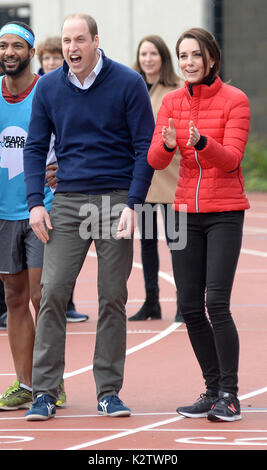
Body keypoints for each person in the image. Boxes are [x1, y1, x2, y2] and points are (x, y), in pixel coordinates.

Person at [23, 13, 154, 421]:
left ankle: (108, 391)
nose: (72, 48)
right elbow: (34, 147)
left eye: (80, 40)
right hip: (67, 199)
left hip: (116, 199)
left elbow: (145, 147)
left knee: (112, 297)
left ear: (96, 40)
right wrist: (35, 203)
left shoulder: (128, 83)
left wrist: (133, 204)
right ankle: (44, 392)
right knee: (52, 292)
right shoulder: (47, 87)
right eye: (66, 41)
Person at [148, 27, 250, 422]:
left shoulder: (235, 99)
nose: (188, 62)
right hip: (182, 215)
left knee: (216, 304)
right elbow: (155, 160)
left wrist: (203, 142)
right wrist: (171, 144)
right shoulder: (171, 101)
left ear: (211, 59)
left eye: (195, 55)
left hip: (224, 211)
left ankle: (230, 393)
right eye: (183, 56)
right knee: (190, 306)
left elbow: (233, 160)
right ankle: (211, 390)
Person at [0, 21, 56, 409]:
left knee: (42, 296)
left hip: (42, 209)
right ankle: (25, 383)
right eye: (2, 46)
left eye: (17, 46)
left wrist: (66, 166)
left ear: (31, 52)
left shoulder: (48, 92)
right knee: (15, 298)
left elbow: (74, 135)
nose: (8, 52)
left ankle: (51, 382)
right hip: (3, 213)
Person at [128, 35, 183, 322]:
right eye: (143, 53)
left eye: (153, 54)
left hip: (173, 177)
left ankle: (185, 304)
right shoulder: (131, 86)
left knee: (178, 242)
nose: (148, 59)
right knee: (147, 241)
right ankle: (152, 301)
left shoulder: (177, 89)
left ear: (163, 57)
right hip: (145, 178)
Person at [37, 36, 89, 323]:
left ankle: (66, 302)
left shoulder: (71, 89)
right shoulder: (40, 90)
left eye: (56, 57)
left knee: (62, 242)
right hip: (36, 177)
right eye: (47, 58)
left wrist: (63, 167)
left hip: (61, 179)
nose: (52, 62)